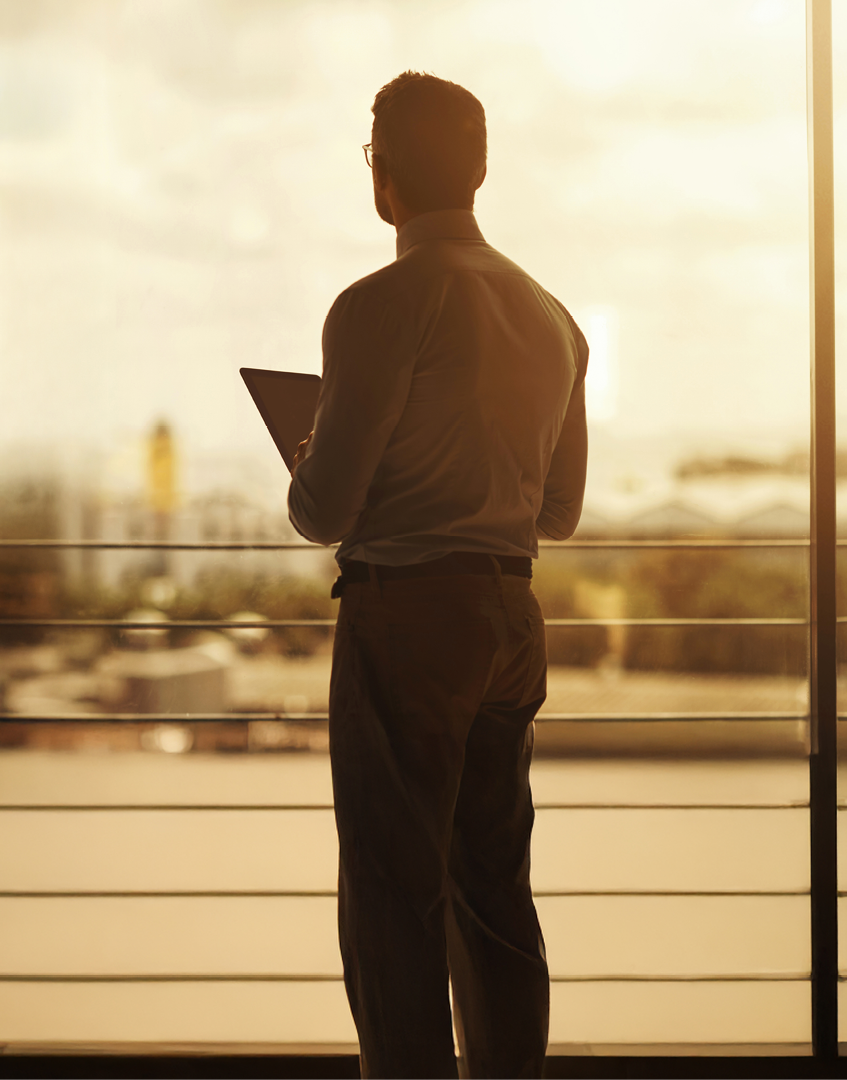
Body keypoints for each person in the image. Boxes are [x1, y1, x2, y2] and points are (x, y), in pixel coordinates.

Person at [287, 71, 589, 1080]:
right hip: (510, 613)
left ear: (380, 172)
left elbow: (323, 512)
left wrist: (310, 458)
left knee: (391, 898)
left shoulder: (376, 306)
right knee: (493, 891)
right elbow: (558, 513)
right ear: (480, 168)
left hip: (408, 617)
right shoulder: (553, 318)